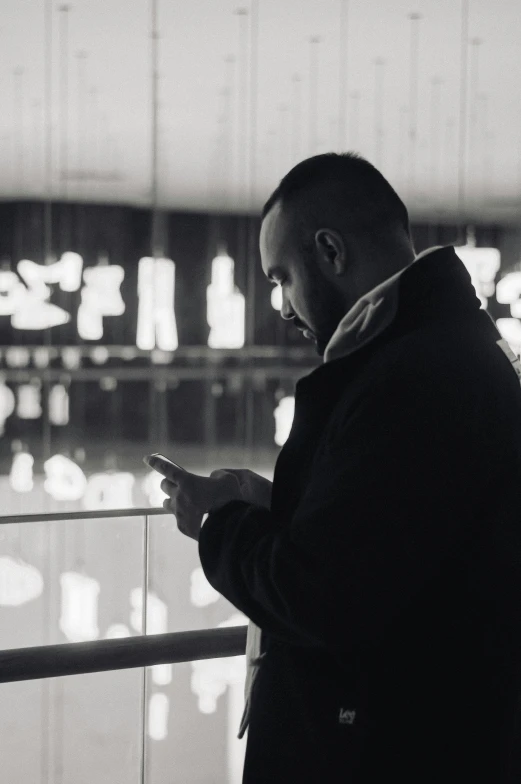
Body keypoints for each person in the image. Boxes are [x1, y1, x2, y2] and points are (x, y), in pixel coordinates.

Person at [146, 152, 521, 783]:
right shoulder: (455, 347)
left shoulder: (409, 377)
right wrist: (273, 503)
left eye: (281, 278)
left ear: (330, 251)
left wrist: (218, 526)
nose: (283, 307)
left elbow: (321, 596)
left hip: (385, 746)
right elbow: (399, 535)